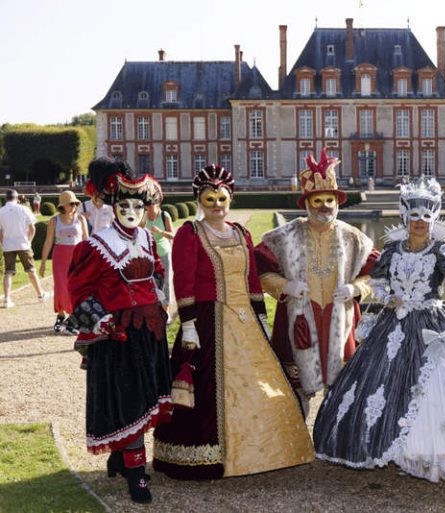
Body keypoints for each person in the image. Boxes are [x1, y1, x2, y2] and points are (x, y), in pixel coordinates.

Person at [313, 177, 445, 484]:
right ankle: (394, 446)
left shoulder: (442, 250)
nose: (420, 222)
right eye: (414, 217)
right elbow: (378, 285)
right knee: (378, 385)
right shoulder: (391, 251)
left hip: (431, 322)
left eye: (426, 217)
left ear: (433, 218)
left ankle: (437, 449)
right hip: (393, 324)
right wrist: (389, 298)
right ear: (405, 217)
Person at [153, 164, 314, 480]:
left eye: (222, 199)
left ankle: (267, 453)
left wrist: (263, 321)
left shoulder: (241, 233)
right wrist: (187, 323)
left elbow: (253, 280)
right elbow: (183, 279)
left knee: (264, 382)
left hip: (246, 320)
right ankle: (205, 457)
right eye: (210, 199)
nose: (216, 206)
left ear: (231, 200)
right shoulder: (190, 233)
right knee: (207, 389)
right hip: (206, 319)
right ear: (200, 200)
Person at [67, 158, 172, 503]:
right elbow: (78, 292)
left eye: (136, 205)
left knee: (146, 399)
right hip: (119, 335)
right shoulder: (97, 245)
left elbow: (155, 272)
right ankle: (137, 476)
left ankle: (120, 458)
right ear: (113, 207)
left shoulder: (146, 237)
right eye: (123, 205)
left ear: (145, 209)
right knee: (130, 403)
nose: (130, 211)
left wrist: (159, 299)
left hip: (149, 330)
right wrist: (101, 322)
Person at [254, 148, 379, 414]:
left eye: (329, 200)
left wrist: (356, 288)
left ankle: (337, 442)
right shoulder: (284, 236)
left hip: (342, 319)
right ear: (307, 203)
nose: (324, 206)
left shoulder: (355, 238)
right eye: (317, 200)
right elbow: (261, 271)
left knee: (344, 390)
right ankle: (298, 442)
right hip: (297, 319)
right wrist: (285, 286)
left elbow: (377, 274)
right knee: (297, 390)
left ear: (337, 202)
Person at [39, 190, 88, 333]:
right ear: (63, 205)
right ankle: (60, 315)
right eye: (70, 204)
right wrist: (42, 263)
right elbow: (48, 242)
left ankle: (73, 317)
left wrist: (88, 259)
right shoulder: (54, 221)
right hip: (60, 256)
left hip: (77, 256)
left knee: (76, 287)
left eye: (74, 203)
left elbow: (86, 240)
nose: (73, 206)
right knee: (61, 287)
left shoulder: (81, 219)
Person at [0, 189, 51, 308]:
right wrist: (29, 242)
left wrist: (3, 243)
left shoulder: (1, 211)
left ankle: (7, 299)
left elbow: (0, 232)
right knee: (31, 270)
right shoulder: (24, 209)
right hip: (23, 244)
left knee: (8, 272)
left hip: (8, 245)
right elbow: (32, 228)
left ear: (6, 199)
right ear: (17, 198)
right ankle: (40, 295)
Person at [143, 187, 175, 317]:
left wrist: (160, 232)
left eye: (152, 204)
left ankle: (166, 312)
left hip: (163, 253)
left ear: (158, 203)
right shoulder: (143, 217)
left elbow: (173, 235)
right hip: (148, 255)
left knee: (166, 282)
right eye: (147, 205)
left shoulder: (164, 215)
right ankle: (154, 311)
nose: (149, 207)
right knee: (150, 282)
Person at [83, 162, 115, 235]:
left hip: (105, 243)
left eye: (100, 193)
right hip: (88, 242)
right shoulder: (83, 207)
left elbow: (114, 227)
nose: (98, 195)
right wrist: (79, 219)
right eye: (94, 193)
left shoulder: (110, 208)